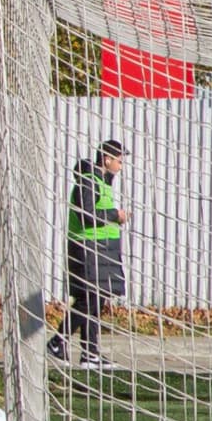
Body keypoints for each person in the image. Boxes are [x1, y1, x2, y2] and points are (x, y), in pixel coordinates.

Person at [52, 139, 129, 368]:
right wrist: (116, 215)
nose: (121, 166)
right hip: (86, 248)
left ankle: (90, 354)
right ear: (107, 159)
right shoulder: (89, 181)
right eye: (119, 161)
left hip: (103, 248)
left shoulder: (103, 183)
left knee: (97, 299)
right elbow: (88, 215)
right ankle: (58, 341)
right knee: (88, 299)